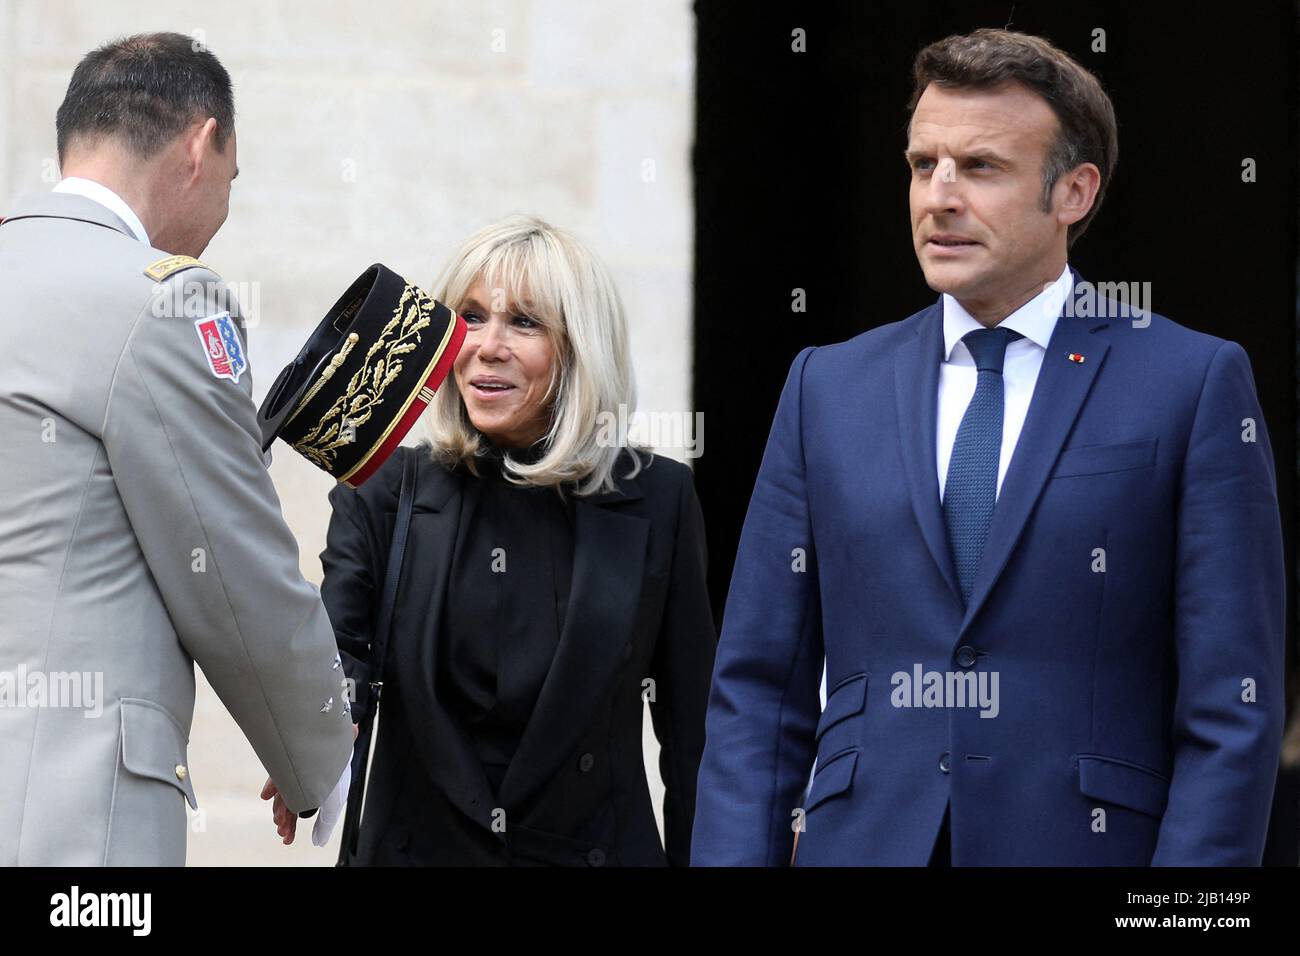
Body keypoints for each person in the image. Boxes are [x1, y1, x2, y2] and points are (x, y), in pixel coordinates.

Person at [691, 28, 1286, 866]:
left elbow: (1232, 707)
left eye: (980, 168)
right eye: (921, 164)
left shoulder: (1191, 383)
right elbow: (757, 689)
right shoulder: (825, 387)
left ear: (1074, 192)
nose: (938, 196)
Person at [0, 33, 353, 866]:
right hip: (64, 818)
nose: (228, 198)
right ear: (202, 144)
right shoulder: (160, 300)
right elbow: (231, 564)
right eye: (235, 171)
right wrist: (333, 765)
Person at [316, 215, 717, 865]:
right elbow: (335, 653)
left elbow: (694, 735)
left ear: (579, 346)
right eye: (470, 317)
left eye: (524, 322)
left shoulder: (657, 498)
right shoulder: (385, 487)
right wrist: (317, 733)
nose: (488, 346)